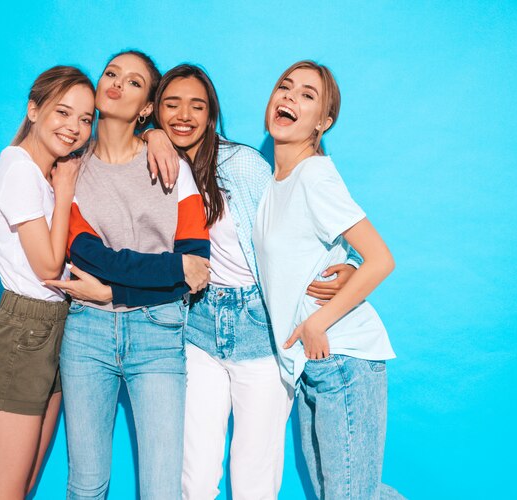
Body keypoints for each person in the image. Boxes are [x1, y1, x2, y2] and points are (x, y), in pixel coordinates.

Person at [150, 64, 360, 499]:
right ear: (155, 111)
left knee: (253, 478)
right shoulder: (152, 166)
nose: (183, 115)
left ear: (212, 116)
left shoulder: (241, 165)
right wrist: (149, 134)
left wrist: (353, 262)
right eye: (171, 105)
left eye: (197, 106)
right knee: (195, 473)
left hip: (260, 327)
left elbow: (301, 225)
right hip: (198, 325)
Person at [49, 51, 210, 500]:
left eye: (134, 82)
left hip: (158, 334)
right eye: (111, 74)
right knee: (86, 485)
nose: (117, 83)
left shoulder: (172, 167)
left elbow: (195, 270)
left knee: (161, 490)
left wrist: (115, 289)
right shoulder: (69, 171)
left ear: (145, 107)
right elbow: (86, 253)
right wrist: (169, 266)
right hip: (86, 333)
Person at [253, 60, 402, 499]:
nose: (290, 98)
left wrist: (320, 322)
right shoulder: (275, 183)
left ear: (323, 122)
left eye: (307, 95)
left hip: (342, 358)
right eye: (285, 87)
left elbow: (380, 258)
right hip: (310, 364)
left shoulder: (315, 175)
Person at [0, 65, 95, 499]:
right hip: (23, 334)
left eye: (86, 119)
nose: (75, 127)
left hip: (55, 328)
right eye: (64, 112)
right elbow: (48, 268)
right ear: (33, 109)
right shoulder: (21, 169)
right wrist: (65, 190)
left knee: (19, 488)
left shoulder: (45, 174)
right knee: (4, 492)